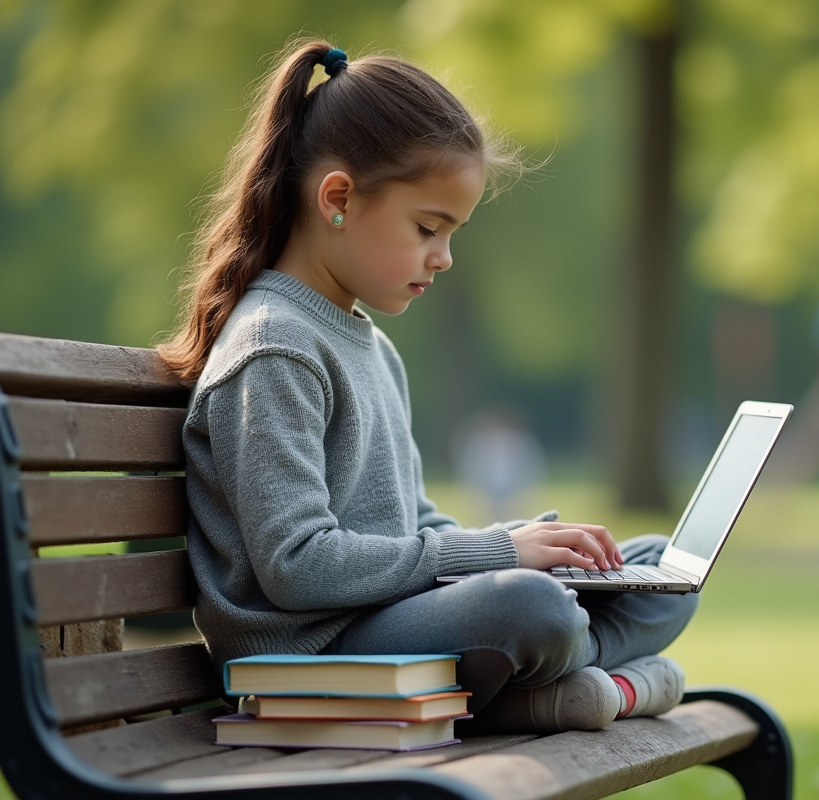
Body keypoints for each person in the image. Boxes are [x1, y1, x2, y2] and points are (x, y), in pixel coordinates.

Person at [157, 39, 698, 734]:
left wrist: (521, 540)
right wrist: (504, 560)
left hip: (388, 617)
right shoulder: (275, 347)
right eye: (427, 228)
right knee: (532, 608)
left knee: (660, 570)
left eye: (452, 233)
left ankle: (564, 679)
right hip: (315, 650)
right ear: (339, 199)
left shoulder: (373, 348)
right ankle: (581, 680)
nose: (442, 258)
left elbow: (416, 525)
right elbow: (297, 565)